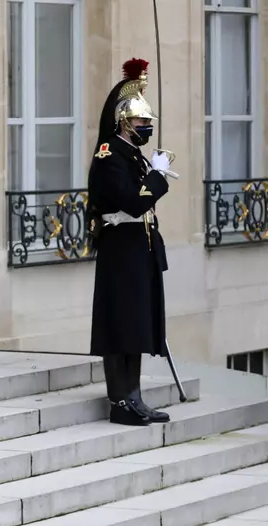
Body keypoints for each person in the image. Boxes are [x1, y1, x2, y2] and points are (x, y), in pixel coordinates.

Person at [86, 58, 177, 426]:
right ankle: (119, 401)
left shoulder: (131, 155)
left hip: (139, 247)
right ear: (125, 123)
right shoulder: (110, 155)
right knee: (119, 324)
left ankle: (135, 396)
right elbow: (134, 201)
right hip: (120, 248)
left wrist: (151, 175)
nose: (147, 127)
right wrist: (156, 177)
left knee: (136, 323)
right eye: (142, 123)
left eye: (148, 122)